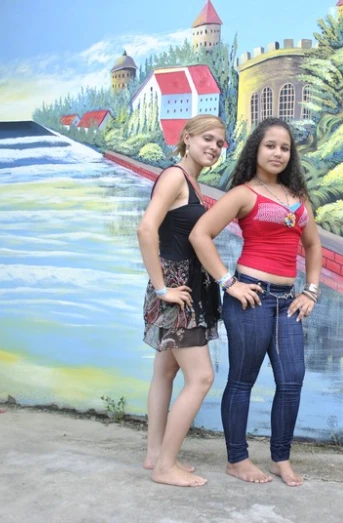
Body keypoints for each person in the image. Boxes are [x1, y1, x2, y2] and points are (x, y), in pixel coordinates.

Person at [189, 117, 322, 487]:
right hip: (251, 297)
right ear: (256, 150)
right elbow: (201, 234)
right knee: (243, 381)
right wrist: (228, 282)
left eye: (284, 147)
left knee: (292, 380)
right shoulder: (244, 194)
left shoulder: (299, 199)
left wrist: (311, 290)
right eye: (270, 146)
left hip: (287, 302)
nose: (278, 153)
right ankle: (237, 459)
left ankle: (281, 457)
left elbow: (312, 245)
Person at [136, 114, 226, 487]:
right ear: (186, 138)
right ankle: (165, 467)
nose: (214, 148)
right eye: (207, 139)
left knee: (166, 372)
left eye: (220, 144)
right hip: (178, 294)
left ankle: (156, 453)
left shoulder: (192, 182)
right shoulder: (175, 176)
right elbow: (146, 229)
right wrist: (162, 289)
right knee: (201, 377)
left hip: (184, 289)